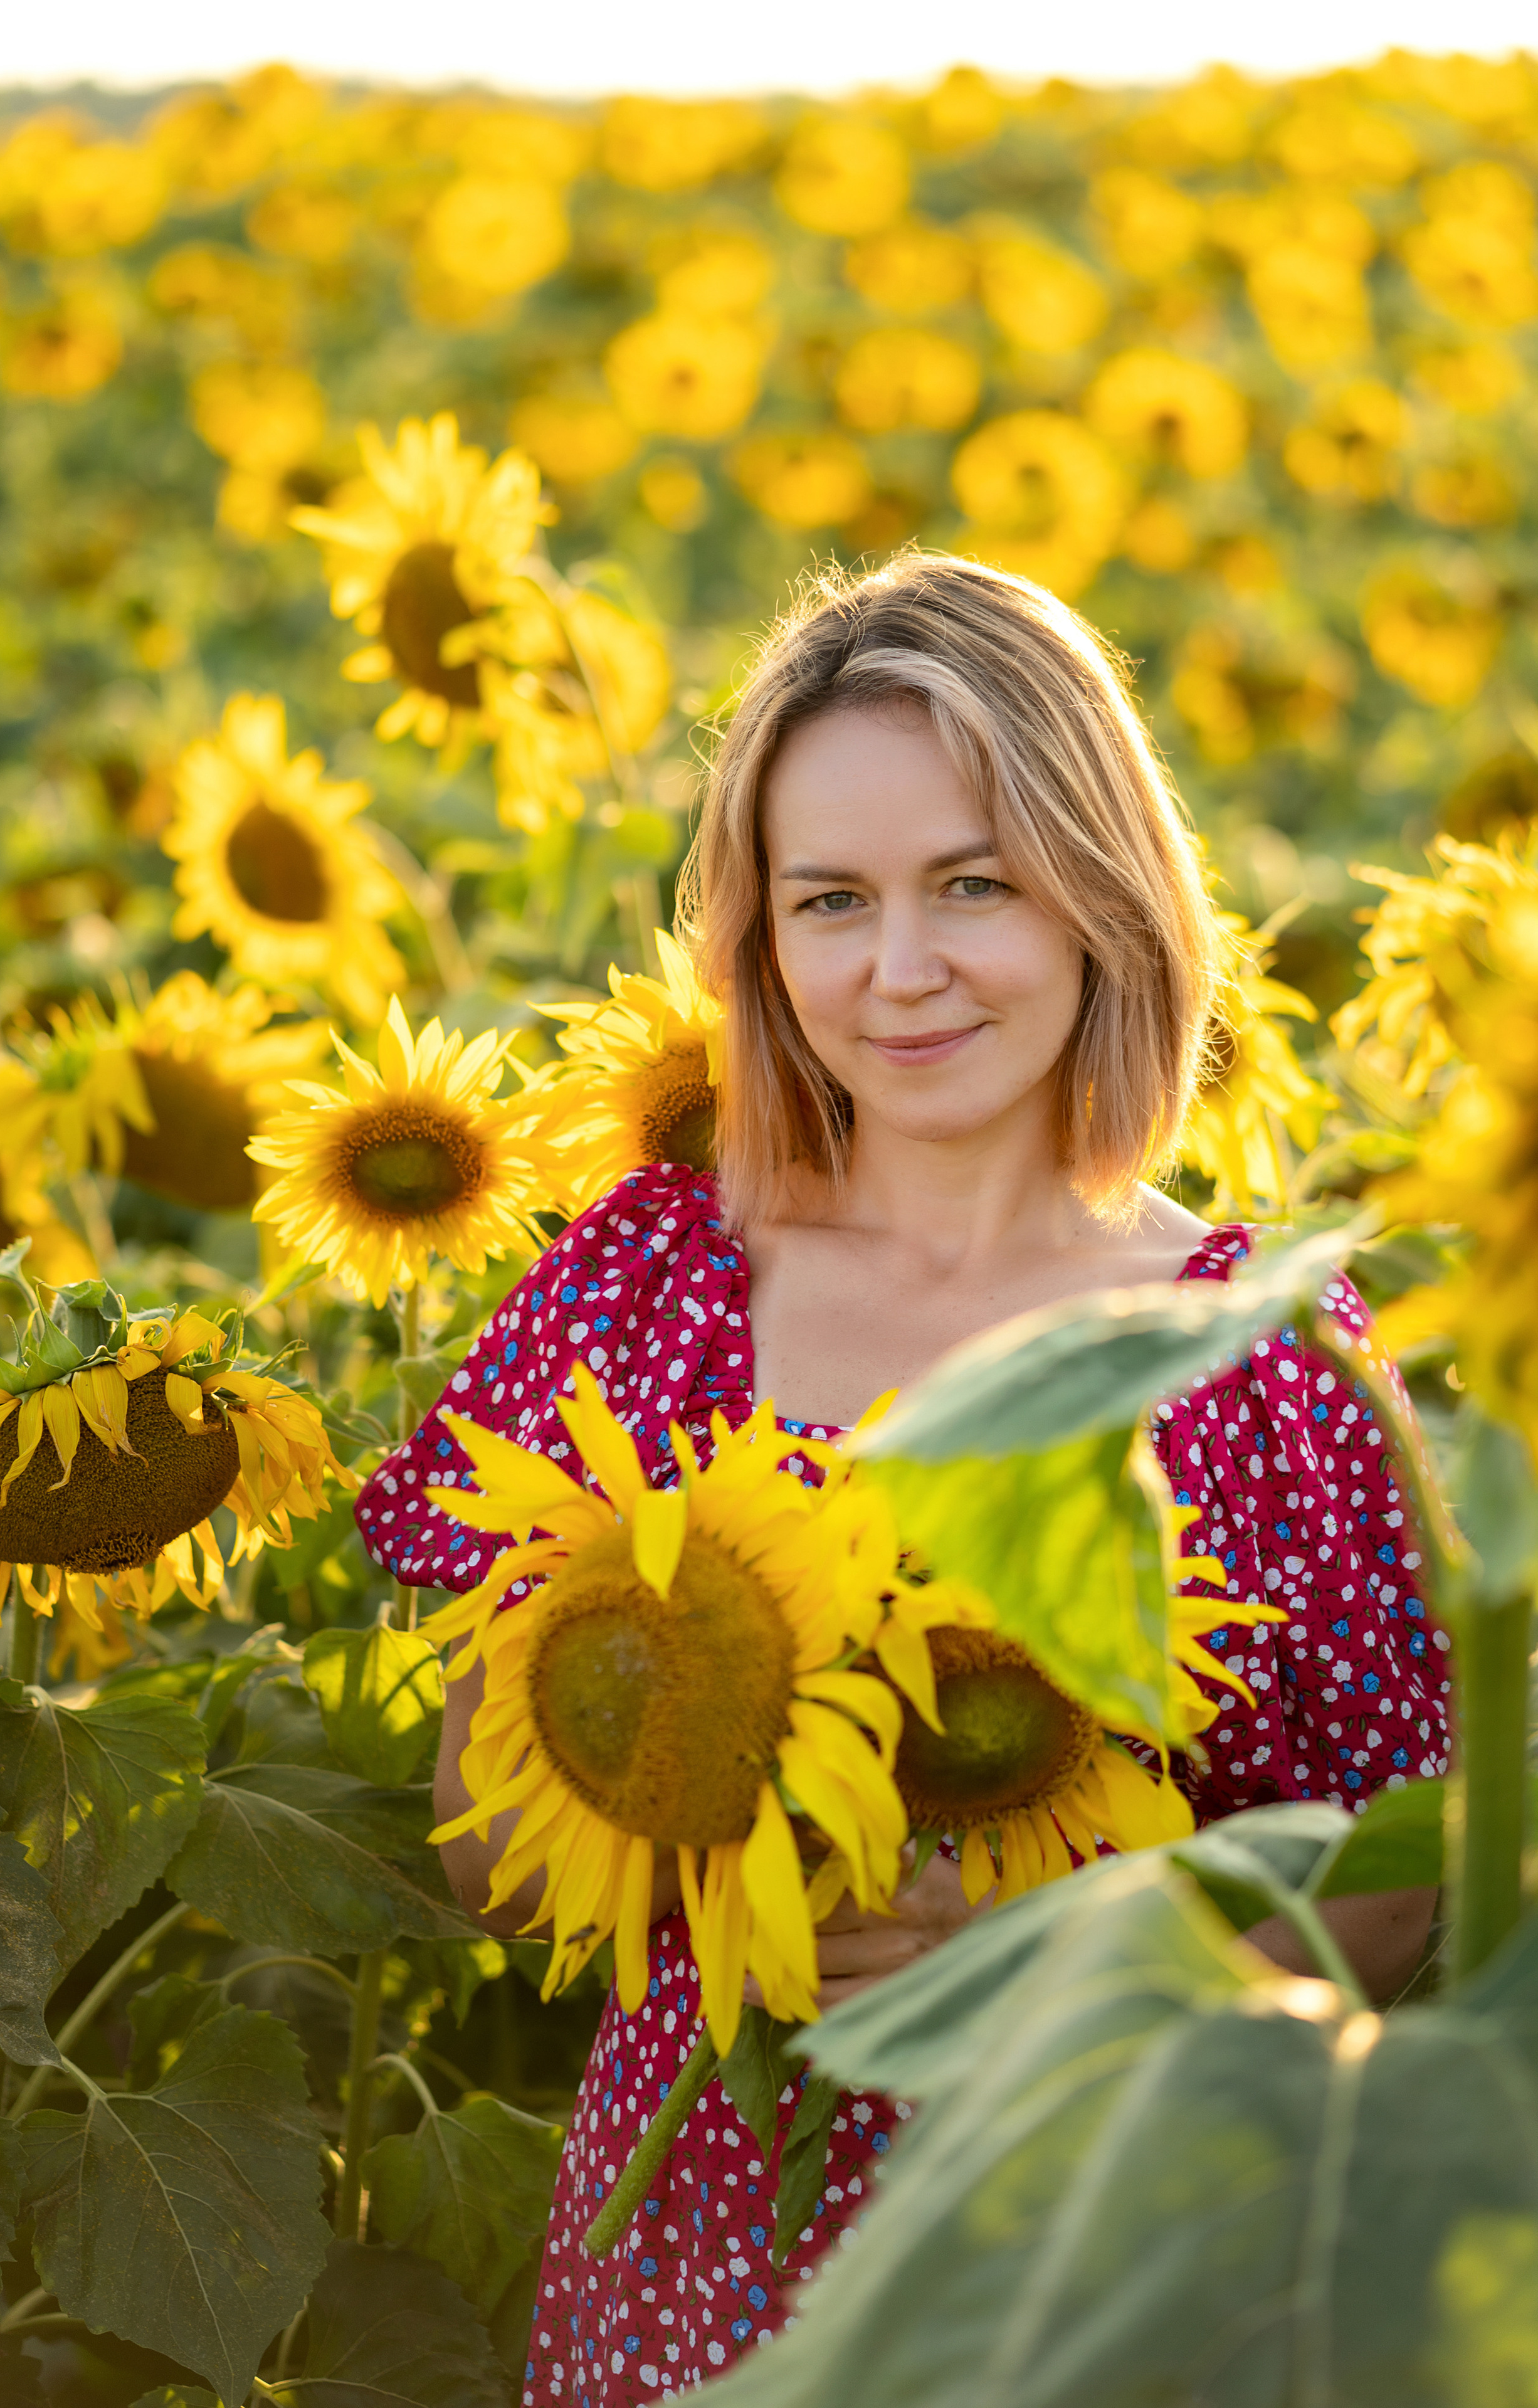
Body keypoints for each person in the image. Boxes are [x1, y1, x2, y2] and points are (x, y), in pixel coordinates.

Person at [357, 553, 1449, 2408]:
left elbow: (1390, 1884)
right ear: (761, 942)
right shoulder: (648, 1284)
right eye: (832, 902)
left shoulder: (1264, 1343)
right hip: (693, 2252)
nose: (901, 970)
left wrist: (1033, 1954)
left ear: (1102, 890)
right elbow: (483, 1846)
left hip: (1104, 2258)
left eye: (975, 884)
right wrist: (736, 1813)